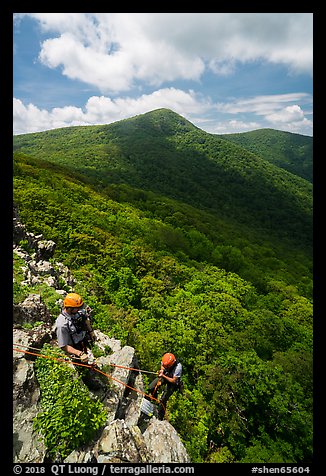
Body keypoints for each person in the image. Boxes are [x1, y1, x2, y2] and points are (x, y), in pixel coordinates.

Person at [55, 292, 96, 363]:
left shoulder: (78, 312)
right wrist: (79, 353)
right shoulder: (62, 325)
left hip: (83, 340)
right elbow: (63, 346)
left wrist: (91, 332)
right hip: (74, 348)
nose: (79, 309)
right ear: (70, 308)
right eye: (77, 308)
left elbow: (85, 319)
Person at [147, 352, 182, 419]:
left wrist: (163, 376)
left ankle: (160, 417)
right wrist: (162, 371)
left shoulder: (178, 367)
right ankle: (154, 400)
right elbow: (162, 366)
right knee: (151, 387)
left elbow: (173, 380)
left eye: (167, 366)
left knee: (163, 400)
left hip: (172, 382)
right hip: (165, 375)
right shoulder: (165, 360)